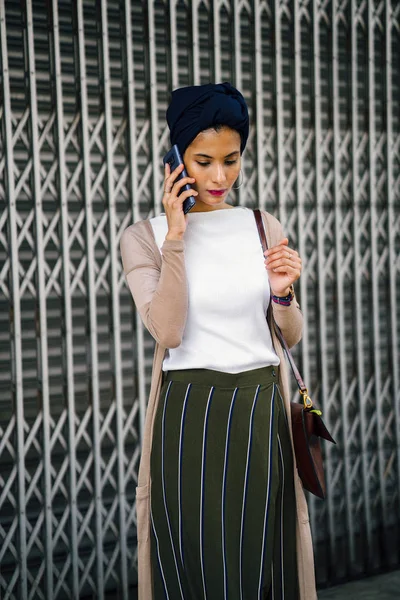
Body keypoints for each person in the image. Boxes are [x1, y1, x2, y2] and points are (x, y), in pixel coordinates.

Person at [120, 83, 317, 600]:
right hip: (189, 416)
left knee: (258, 564)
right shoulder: (144, 237)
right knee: (195, 563)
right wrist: (178, 238)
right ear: (176, 159)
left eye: (231, 160)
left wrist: (281, 294)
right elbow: (168, 329)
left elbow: (291, 335)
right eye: (203, 160)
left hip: (259, 411)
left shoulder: (262, 226)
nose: (219, 177)